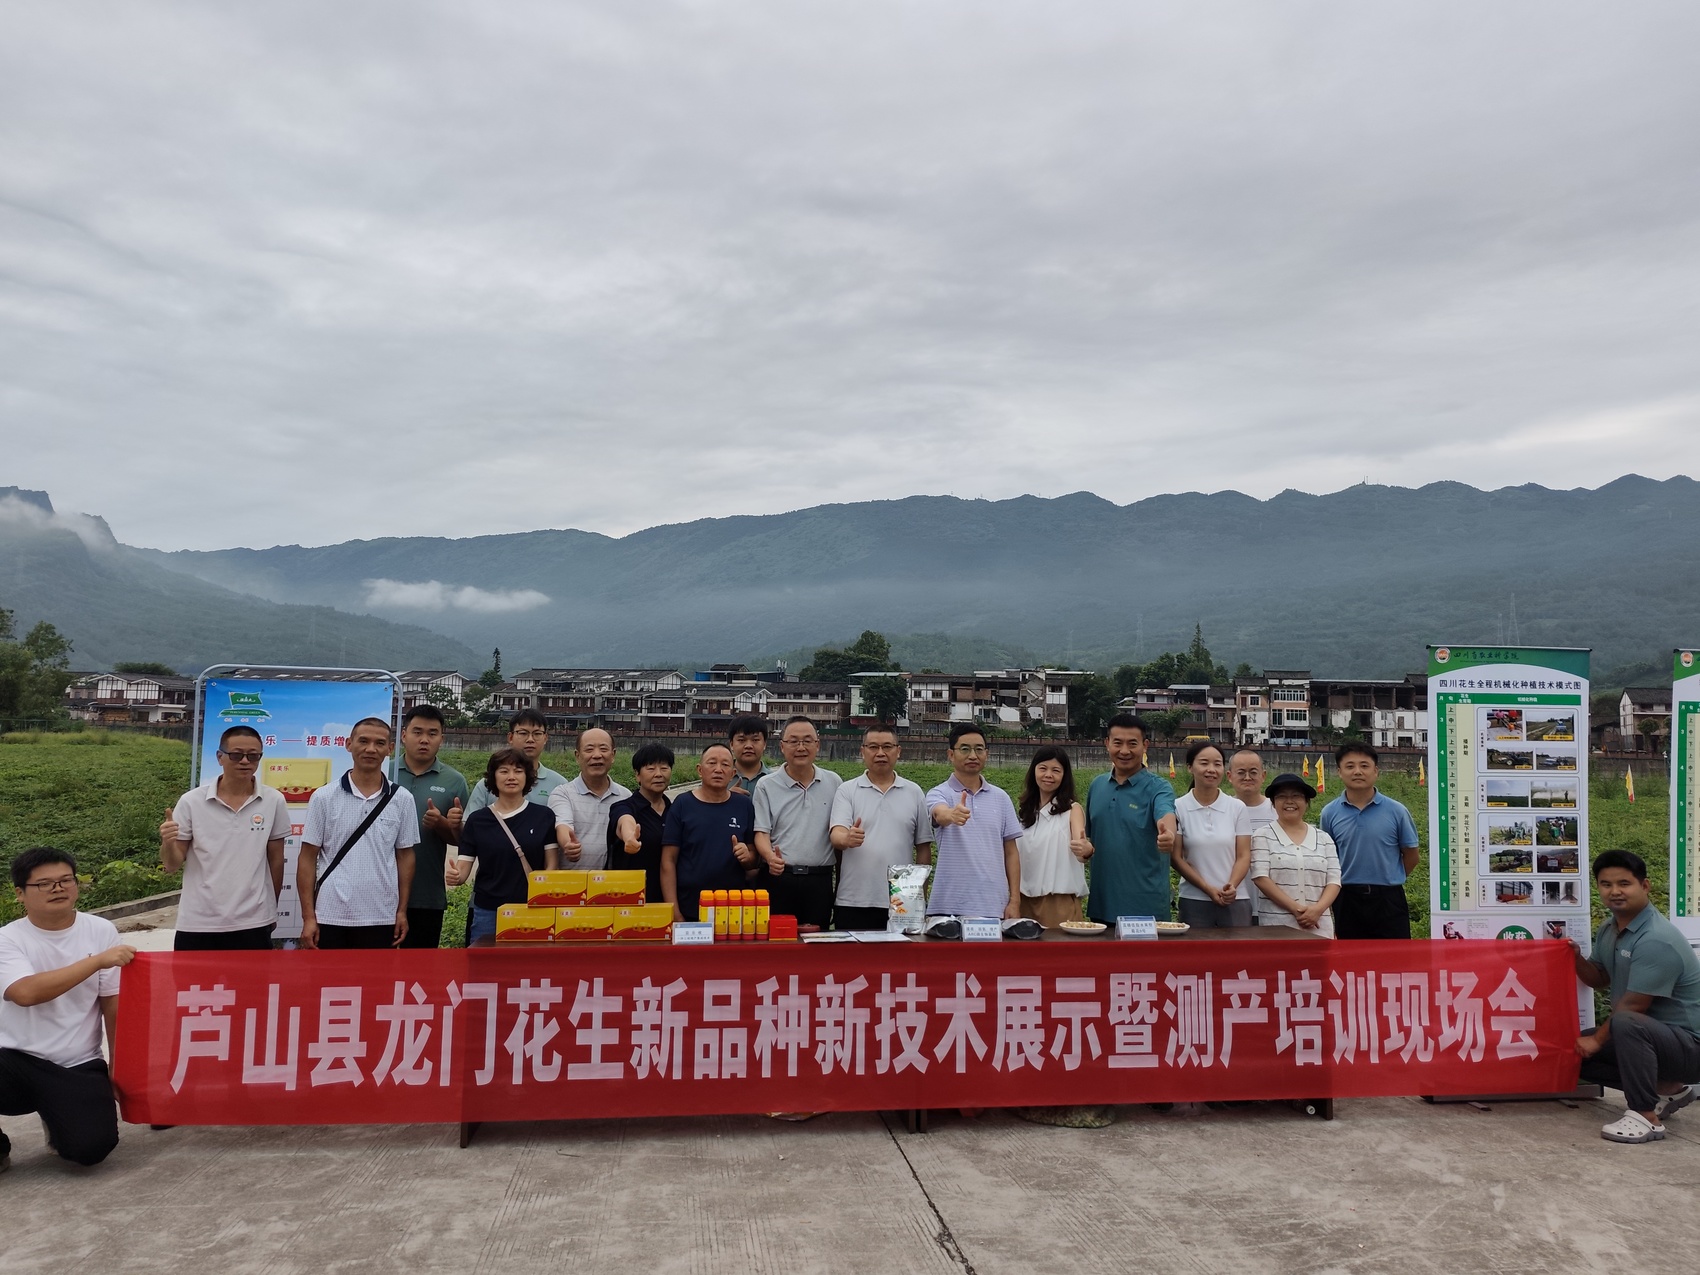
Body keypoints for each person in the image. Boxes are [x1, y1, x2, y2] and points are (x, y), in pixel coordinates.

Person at [0, 847, 134, 1169]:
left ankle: (58, 1121)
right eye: (44, 884)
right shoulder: (8, 938)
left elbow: (112, 1002)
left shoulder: (100, 931)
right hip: (14, 1060)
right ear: (20, 893)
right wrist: (96, 961)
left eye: (66, 880)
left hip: (76, 1061)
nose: (58, 888)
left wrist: (118, 1064)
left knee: (90, 1149)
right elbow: (25, 992)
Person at [1572, 850, 1700, 1144]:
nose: (1615, 891)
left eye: (1624, 883)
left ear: (1645, 886)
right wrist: (1575, 957)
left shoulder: (1657, 938)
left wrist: (1597, 1040)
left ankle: (1645, 1116)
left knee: (1625, 1023)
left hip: (1691, 1046)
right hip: (1654, 1040)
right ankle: (1667, 1088)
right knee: (1575, 1052)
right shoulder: (1610, 928)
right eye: (1606, 884)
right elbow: (1599, 978)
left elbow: (1634, 1007)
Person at [158, 725, 291, 950]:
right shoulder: (192, 802)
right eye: (236, 755)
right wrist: (168, 842)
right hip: (199, 922)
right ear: (220, 757)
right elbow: (171, 865)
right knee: (193, 976)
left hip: (254, 921)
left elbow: (276, 860)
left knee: (254, 976)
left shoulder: (273, 800)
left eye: (253, 756)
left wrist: (271, 908)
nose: (245, 761)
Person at [297, 717, 418, 950]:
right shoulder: (324, 797)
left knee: (376, 975)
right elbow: (307, 857)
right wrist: (308, 917)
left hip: (382, 915)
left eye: (379, 743)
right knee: (329, 974)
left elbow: (405, 857)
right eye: (363, 741)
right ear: (348, 744)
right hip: (329, 914)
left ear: (390, 749)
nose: (371, 749)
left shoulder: (402, 799)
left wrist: (402, 911)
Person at [446, 749, 558, 943]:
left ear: (528, 776)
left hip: (531, 908)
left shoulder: (544, 816)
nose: (511, 777)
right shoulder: (477, 820)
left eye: (518, 771)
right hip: (488, 911)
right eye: (504, 771)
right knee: (485, 961)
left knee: (530, 961)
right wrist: (456, 876)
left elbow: (552, 865)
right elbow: (463, 867)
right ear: (493, 777)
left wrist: (540, 898)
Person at [829, 726, 931, 931]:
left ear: (898, 751)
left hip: (902, 901)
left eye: (887, 747)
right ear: (862, 751)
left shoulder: (913, 792)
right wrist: (846, 838)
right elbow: (836, 833)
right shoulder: (847, 790)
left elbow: (923, 847)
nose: (880, 753)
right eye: (873, 747)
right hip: (854, 900)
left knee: (900, 953)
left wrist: (919, 895)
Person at [1319, 742, 1420, 939]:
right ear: (1339, 772)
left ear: (1376, 771)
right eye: (1350, 766)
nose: (1357, 771)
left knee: (1395, 954)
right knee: (1351, 955)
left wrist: (1390, 877)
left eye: (1364, 766)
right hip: (1347, 898)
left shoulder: (1397, 811)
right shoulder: (1329, 813)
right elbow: (1329, 858)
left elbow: (1412, 856)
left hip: (1388, 899)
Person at [1084, 713, 1179, 923]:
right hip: (1101, 906)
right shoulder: (1096, 786)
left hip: (1146, 908)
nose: (1125, 751)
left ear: (1145, 745)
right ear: (1107, 744)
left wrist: (1169, 835)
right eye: (1118, 743)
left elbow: (1166, 814)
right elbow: (1089, 841)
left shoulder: (1159, 788)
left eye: (1132, 744)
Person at [391, 705, 469, 949]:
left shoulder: (454, 781)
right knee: (376, 966)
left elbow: (463, 841)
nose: (424, 739)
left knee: (419, 965)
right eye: (417, 732)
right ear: (404, 735)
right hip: (379, 891)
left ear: (441, 739)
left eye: (432, 733)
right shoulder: (384, 772)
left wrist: (443, 824)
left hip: (426, 895)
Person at [754, 716, 843, 929]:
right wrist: (769, 856)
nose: (801, 747)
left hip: (819, 880)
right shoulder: (766, 785)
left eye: (807, 741)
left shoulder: (834, 782)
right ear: (782, 746)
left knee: (817, 942)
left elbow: (838, 832)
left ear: (817, 745)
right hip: (779, 877)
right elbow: (761, 832)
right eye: (793, 741)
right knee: (778, 940)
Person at [926, 724, 1023, 919]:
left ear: (986, 754)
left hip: (994, 906)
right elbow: (939, 814)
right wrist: (951, 814)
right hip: (948, 906)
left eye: (979, 749)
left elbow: (1011, 852)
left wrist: (1014, 901)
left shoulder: (1001, 798)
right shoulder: (939, 793)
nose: (973, 755)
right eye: (965, 749)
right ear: (951, 754)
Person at [661, 744, 760, 921]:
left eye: (725, 765)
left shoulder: (743, 805)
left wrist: (747, 857)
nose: (718, 769)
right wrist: (674, 911)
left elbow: (753, 859)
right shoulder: (683, 804)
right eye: (712, 763)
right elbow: (668, 861)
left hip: (732, 908)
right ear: (700, 770)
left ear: (733, 772)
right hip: (689, 905)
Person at [1171, 740, 1255, 928]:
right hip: (1194, 899)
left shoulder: (1237, 807)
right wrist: (1207, 889)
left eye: (1217, 764)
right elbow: (1176, 858)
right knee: (1196, 948)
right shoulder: (1178, 807)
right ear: (1190, 767)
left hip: (1235, 898)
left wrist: (1231, 886)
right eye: (1204, 763)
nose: (1211, 769)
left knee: (1238, 947)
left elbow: (1244, 855)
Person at [1249, 772, 1342, 936]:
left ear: (1306, 801)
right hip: (1276, 927)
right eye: (1282, 796)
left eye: (1296, 796)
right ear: (1273, 803)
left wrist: (1317, 910)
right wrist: (1297, 909)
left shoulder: (1324, 838)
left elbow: (1334, 880)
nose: (1289, 801)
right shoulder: (1262, 836)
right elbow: (1260, 878)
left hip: (1319, 927)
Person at [1013, 745, 1090, 928]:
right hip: (1023, 901)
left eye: (1056, 770)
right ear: (1034, 771)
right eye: (1043, 768)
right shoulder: (1026, 813)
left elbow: (1081, 847)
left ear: (1064, 776)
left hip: (1057, 903)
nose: (1048, 775)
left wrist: (1085, 850)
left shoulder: (1072, 810)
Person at [548, 728, 631, 872]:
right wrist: (568, 843)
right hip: (572, 881)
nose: (597, 755)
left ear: (613, 755)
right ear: (577, 756)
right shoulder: (563, 793)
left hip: (611, 882)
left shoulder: (625, 796)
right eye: (589, 749)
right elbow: (563, 824)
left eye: (603, 749)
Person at [608, 744, 675, 905]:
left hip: (671, 900)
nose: (658, 774)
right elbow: (625, 820)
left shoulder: (675, 811)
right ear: (637, 775)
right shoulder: (625, 806)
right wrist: (629, 837)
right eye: (650, 769)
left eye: (664, 768)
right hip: (632, 900)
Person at [465, 710, 567, 813]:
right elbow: (471, 821)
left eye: (537, 733)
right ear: (510, 737)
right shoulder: (488, 784)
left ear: (545, 738)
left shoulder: (559, 784)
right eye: (523, 733)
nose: (530, 739)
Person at [1228, 749, 1278, 835]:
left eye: (1253, 772)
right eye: (1241, 773)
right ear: (1230, 776)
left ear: (1263, 776)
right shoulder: (1223, 809)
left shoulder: (1276, 809)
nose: (1247, 778)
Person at [728, 714, 772, 796]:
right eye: (741, 740)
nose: (748, 746)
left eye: (755, 740)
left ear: (764, 744)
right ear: (731, 744)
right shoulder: (719, 779)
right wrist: (725, 797)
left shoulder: (775, 781)